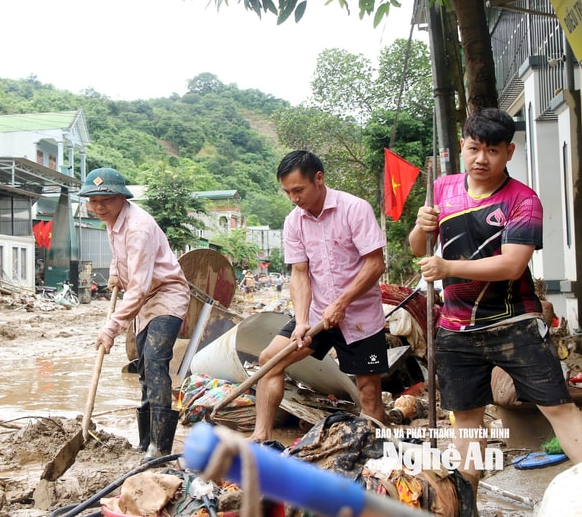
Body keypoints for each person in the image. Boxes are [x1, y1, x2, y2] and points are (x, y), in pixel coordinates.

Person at [409, 108, 582, 481]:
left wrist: (448, 267)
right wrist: (421, 227)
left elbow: (512, 265)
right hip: (456, 329)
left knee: (559, 409)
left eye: (492, 150)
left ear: (509, 152)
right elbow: (419, 247)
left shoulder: (523, 200)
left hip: (515, 323)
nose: (481, 159)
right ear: (462, 147)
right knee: (467, 422)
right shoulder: (443, 189)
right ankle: (467, 502)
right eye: (474, 149)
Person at [249, 151, 388, 442]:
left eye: (298, 190)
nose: (293, 198)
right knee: (270, 360)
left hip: (361, 319)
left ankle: (369, 453)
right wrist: (301, 320)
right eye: (287, 192)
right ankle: (261, 439)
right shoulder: (293, 221)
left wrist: (342, 302)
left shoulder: (354, 209)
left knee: (369, 392)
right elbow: (300, 273)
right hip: (316, 315)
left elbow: (375, 264)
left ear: (319, 179)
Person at [79, 167, 190, 461]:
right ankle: (144, 442)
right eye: (93, 201)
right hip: (143, 299)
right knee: (142, 367)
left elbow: (139, 288)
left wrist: (111, 329)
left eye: (106, 200)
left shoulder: (138, 228)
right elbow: (121, 256)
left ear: (122, 198)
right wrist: (115, 273)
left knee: (155, 363)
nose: (99, 207)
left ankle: (160, 447)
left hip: (166, 295)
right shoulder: (112, 221)